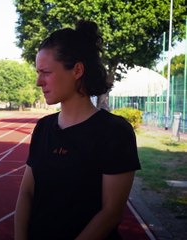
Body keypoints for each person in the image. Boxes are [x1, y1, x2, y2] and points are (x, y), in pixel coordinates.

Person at [14, 20, 141, 240]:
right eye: (38, 72)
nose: (38, 82)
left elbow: (111, 213)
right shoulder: (44, 127)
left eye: (46, 72)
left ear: (77, 70)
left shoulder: (115, 132)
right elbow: (26, 192)